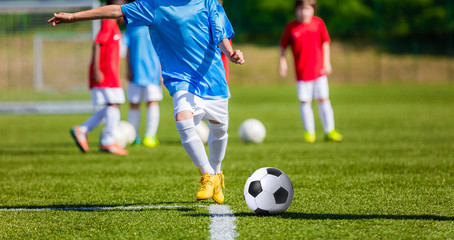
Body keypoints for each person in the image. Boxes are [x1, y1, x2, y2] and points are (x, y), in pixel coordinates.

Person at [48, 0, 244, 204]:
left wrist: (230, 53)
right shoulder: (154, 6)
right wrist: (73, 16)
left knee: (219, 130)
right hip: (181, 80)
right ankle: (207, 175)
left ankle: (217, 173)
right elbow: (116, 10)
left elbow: (221, 35)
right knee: (183, 120)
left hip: (213, 78)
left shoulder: (208, 3)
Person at [69, 0, 128, 156]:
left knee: (111, 107)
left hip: (111, 75)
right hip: (105, 74)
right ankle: (108, 141)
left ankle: (82, 130)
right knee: (114, 105)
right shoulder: (108, 23)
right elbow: (97, 43)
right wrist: (96, 69)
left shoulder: (113, 26)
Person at [279, 0, 343, 143]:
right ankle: (309, 132)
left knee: (323, 99)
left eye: (307, 9)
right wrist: (282, 63)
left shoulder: (318, 23)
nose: (304, 12)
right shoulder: (291, 27)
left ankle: (329, 130)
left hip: (318, 70)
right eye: (301, 9)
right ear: (296, 10)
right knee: (305, 102)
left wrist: (326, 62)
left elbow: (325, 42)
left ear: (313, 10)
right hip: (302, 72)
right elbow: (283, 46)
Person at [125, 24, 163, 148]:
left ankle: (150, 136)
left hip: (153, 73)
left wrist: (162, 72)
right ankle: (133, 136)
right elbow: (128, 49)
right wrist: (128, 69)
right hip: (135, 72)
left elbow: (161, 50)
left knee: (152, 102)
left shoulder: (155, 26)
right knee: (134, 103)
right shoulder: (132, 27)